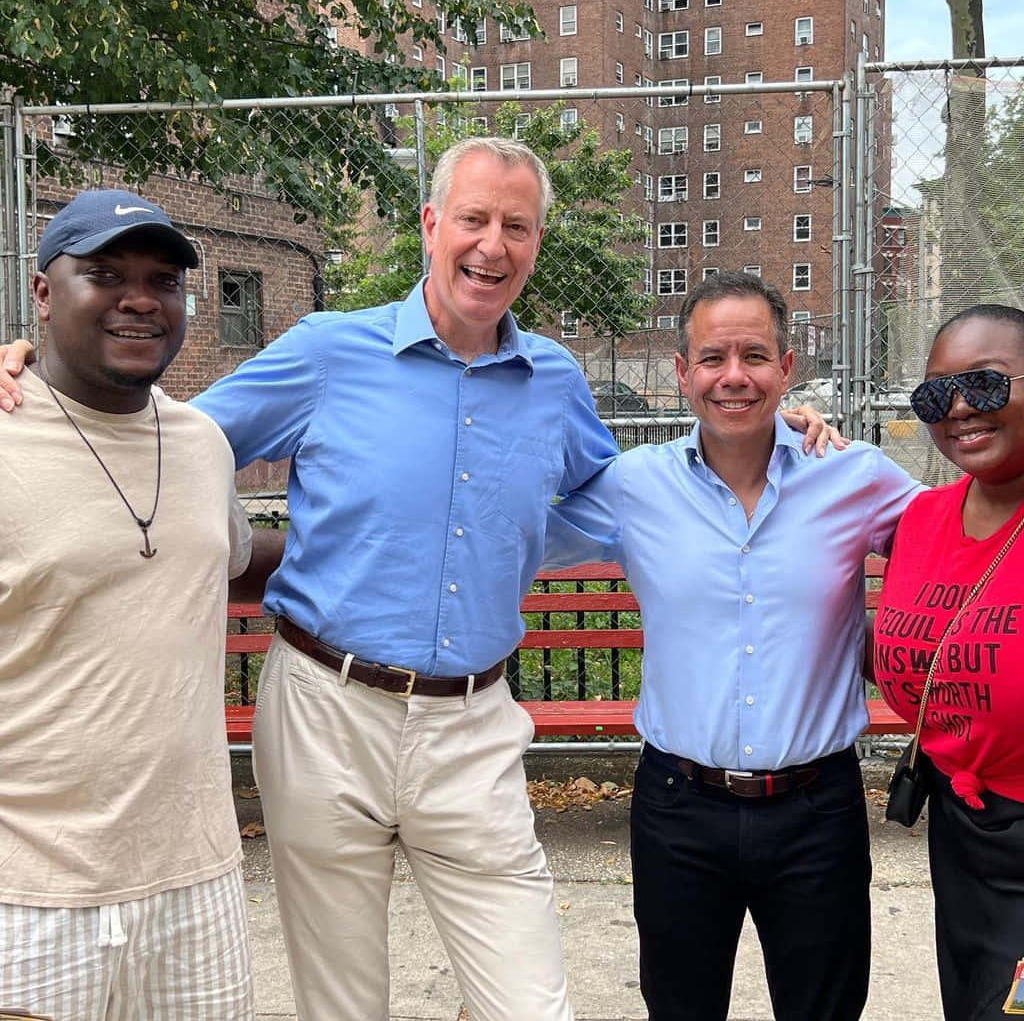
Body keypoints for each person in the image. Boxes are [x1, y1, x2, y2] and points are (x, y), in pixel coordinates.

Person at [0, 142, 837, 1020]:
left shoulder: (553, 380)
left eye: (516, 226)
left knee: (530, 1001)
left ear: (536, 244)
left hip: (472, 721)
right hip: (325, 705)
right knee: (343, 1000)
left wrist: (771, 430)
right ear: (433, 226)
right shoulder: (329, 352)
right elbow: (160, 449)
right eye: (474, 219)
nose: (492, 244)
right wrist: (35, 377)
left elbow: (623, 493)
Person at [542, 271, 923, 1021]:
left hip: (818, 810)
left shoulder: (853, 476)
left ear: (788, 368)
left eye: (755, 356)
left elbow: (964, 544)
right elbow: (510, 534)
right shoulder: (633, 486)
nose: (734, 376)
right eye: (713, 358)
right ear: (683, 374)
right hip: (680, 809)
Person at [0, 190, 271, 1019]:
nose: (140, 298)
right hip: (28, 887)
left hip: (195, 876)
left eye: (165, 279)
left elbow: (231, 560)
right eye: (104, 274)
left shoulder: (202, 444)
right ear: (44, 293)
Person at [872, 304, 1024, 1020]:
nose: (958, 408)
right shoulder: (926, 519)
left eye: (986, 385)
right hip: (964, 842)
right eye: (936, 394)